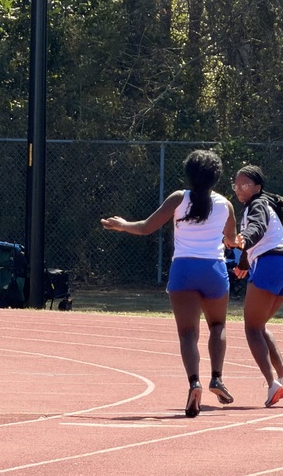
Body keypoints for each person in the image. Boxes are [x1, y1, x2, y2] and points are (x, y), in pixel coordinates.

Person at [101, 149, 237, 418]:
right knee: (217, 325)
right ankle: (217, 378)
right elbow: (231, 240)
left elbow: (145, 227)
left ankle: (194, 382)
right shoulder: (226, 205)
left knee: (188, 333)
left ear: (188, 173)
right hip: (213, 269)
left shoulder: (179, 198)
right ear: (216, 176)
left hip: (184, 269)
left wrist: (122, 225)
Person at [232, 165, 283, 408]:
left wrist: (245, 239)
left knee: (251, 329)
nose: (239, 189)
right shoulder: (262, 205)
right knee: (259, 326)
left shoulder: (257, 205)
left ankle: (272, 384)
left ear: (258, 187)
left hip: (271, 263)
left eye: (244, 184)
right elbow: (256, 241)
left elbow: (257, 230)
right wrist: (243, 263)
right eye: (236, 184)